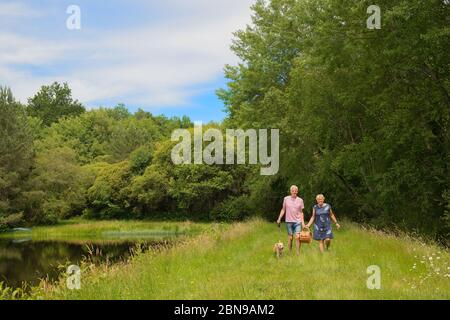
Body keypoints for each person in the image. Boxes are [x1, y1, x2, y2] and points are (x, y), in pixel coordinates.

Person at [276, 185, 305, 255]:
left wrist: (303, 223)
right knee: (290, 238)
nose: (294, 192)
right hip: (289, 221)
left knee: (297, 237)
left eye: (295, 191)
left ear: (297, 191)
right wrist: (279, 218)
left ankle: (298, 253)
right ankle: (290, 252)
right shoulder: (286, 199)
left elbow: (301, 212)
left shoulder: (300, 200)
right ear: (290, 191)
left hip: (297, 221)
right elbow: (283, 209)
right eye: (293, 191)